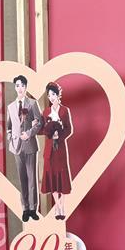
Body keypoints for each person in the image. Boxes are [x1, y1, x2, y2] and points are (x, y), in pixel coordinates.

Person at [6, 75, 42, 221]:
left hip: (30, 146)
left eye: (22, 85)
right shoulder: (10, 107)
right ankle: (25, 208)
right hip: (17, 147)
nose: (20, 88)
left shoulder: (32, 103)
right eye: (17, 85)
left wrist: (29, 133)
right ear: (15, 87)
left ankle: (33, 209)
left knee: (32, 179)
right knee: (22, 179)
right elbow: (9, 127)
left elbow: (39, 123)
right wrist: (11, 138)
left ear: (26, 87)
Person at [39, 81, 74, 221]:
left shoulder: (64, 111)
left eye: (53, 94)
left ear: (58, 94)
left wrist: (59, 135)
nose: (51, 97)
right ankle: (58, 206)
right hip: (49, 150)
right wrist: (47, 132)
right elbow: (42, 129)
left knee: (62, 177)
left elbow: (69, 129)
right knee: (51, 178)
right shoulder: (46, 112)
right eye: (49, 95)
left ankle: (62, 206)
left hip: (60, 149)